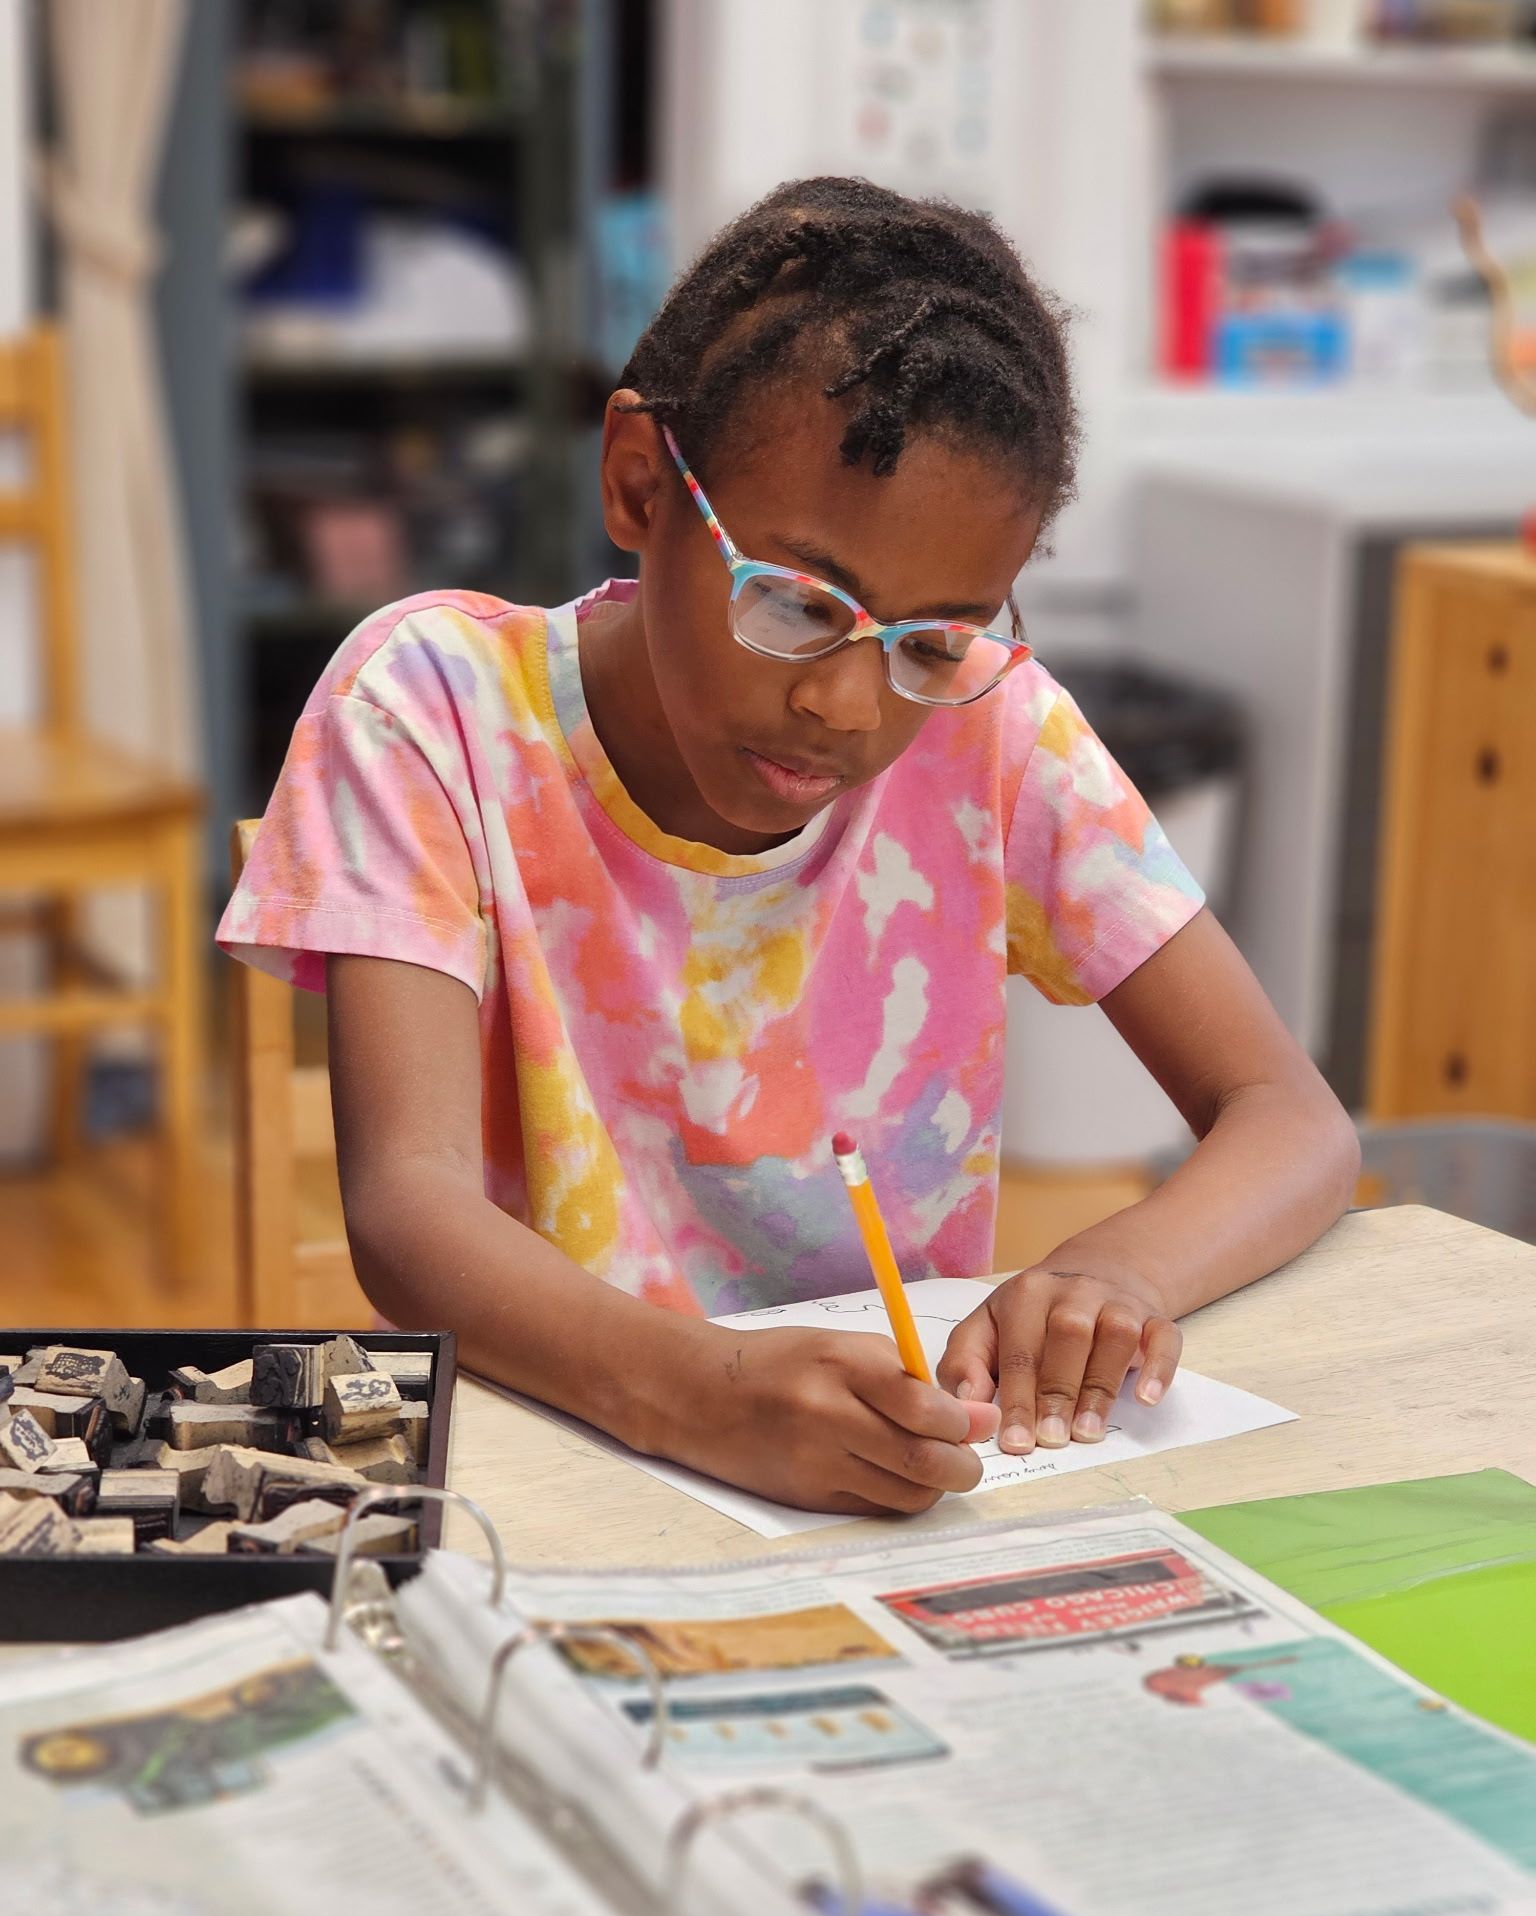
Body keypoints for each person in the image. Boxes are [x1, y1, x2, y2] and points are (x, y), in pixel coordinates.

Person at [220, 176, 1359, 1517]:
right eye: (797, 605)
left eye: (932, 638)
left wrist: (1118, 1272)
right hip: (562, 1459)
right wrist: (699, 1395)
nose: (846, 707)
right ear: (642, 484)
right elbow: (408, 1214)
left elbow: (1292, 1120)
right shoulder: (433, 711)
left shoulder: (993, 732)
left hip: (882, 1480)